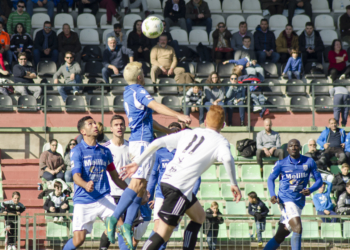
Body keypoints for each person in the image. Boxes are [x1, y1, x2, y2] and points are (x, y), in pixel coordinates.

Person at [117, 105, 241, 250]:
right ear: (223, 125)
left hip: (169, 181)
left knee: (199, 217)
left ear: (205, 122)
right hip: (178, 188)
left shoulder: (190, 133)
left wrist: (137, 162)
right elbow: (227, 159)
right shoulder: (221, 142)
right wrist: (234, 183)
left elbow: (158, 142)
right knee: (162, 233)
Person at [104, 61, 192, 247]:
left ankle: (126, 224)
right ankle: (114, 219)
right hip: (142, 143)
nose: (144, 75)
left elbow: (149, 119)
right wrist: (178, 115)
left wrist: (168, 132)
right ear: (139, 77)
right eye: (143, 72)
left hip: (141, 141)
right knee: (137, 184)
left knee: (141, 187)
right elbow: (156, 106)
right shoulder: (138, 90)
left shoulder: (128, 92)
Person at [62, 116, 128, 250]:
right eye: (90, 124)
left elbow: (115, 177)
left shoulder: (105, 151)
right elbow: (76, 177)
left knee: (122, 228)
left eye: (95, 123)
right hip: (84, 200)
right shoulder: (77, 151)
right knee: (79, 240)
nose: (95, 125)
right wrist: (85, 184)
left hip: (104, 197)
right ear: (83, 131)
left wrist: (131, 191)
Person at [264, 139, 322, 250]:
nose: (293, 148)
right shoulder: (281, 163)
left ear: (300, 148)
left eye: (296, 146)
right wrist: (272, 194)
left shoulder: (309, 162)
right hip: (285, 200)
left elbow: (319, 180)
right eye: (291, 146)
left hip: (299, 201)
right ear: (287, 149)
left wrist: (310, 189)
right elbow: (270, 179)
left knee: (281, 234)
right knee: (298, 227)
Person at [98, 115, 132, 250]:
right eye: (116, 125)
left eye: (121, 124)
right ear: (111, 128)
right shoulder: (105, 149)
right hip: (111, 194)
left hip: (128, 194)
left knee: (114, 228)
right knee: (121, 227)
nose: (119, 127)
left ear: (125, 127)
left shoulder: (131, 147)